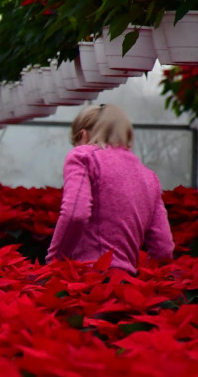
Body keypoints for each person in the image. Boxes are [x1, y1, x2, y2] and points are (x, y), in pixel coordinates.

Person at [46, 103, 174, 274]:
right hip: (126, 286)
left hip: (86, 281)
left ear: (82, 135)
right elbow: (163, 248)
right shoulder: (150, 177)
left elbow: (75, 214)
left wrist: (54, 262)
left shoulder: (83, 156)